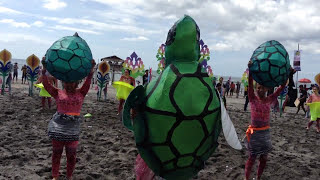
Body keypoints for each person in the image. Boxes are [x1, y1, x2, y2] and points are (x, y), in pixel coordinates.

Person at [42, 59, 96, 180]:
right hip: (58, 129)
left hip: (73, 130)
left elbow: (88, 80)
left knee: (71, 155)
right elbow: (46, 85)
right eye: (66, 82)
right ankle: (55, 176)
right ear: (63, 82)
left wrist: (91, 68)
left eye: (72, 82)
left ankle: (69, 176)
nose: (69, 84)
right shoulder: (58, 93)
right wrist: (44, 69)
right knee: (56, 154)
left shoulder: (82, 92)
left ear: (76, 83)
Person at [245, 60, 287, 180]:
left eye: (262, 88)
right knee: (251, 157)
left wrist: (286, 74)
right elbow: (250, 83)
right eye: (258, 88)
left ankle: (258, 177)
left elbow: (282, 87)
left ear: (267, 89)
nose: (260, 90)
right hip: (254, 134)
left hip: (265, 134)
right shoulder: (252, 98)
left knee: (264, 158)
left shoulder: (270, 99)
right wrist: (250, 70)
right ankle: (246, 178)